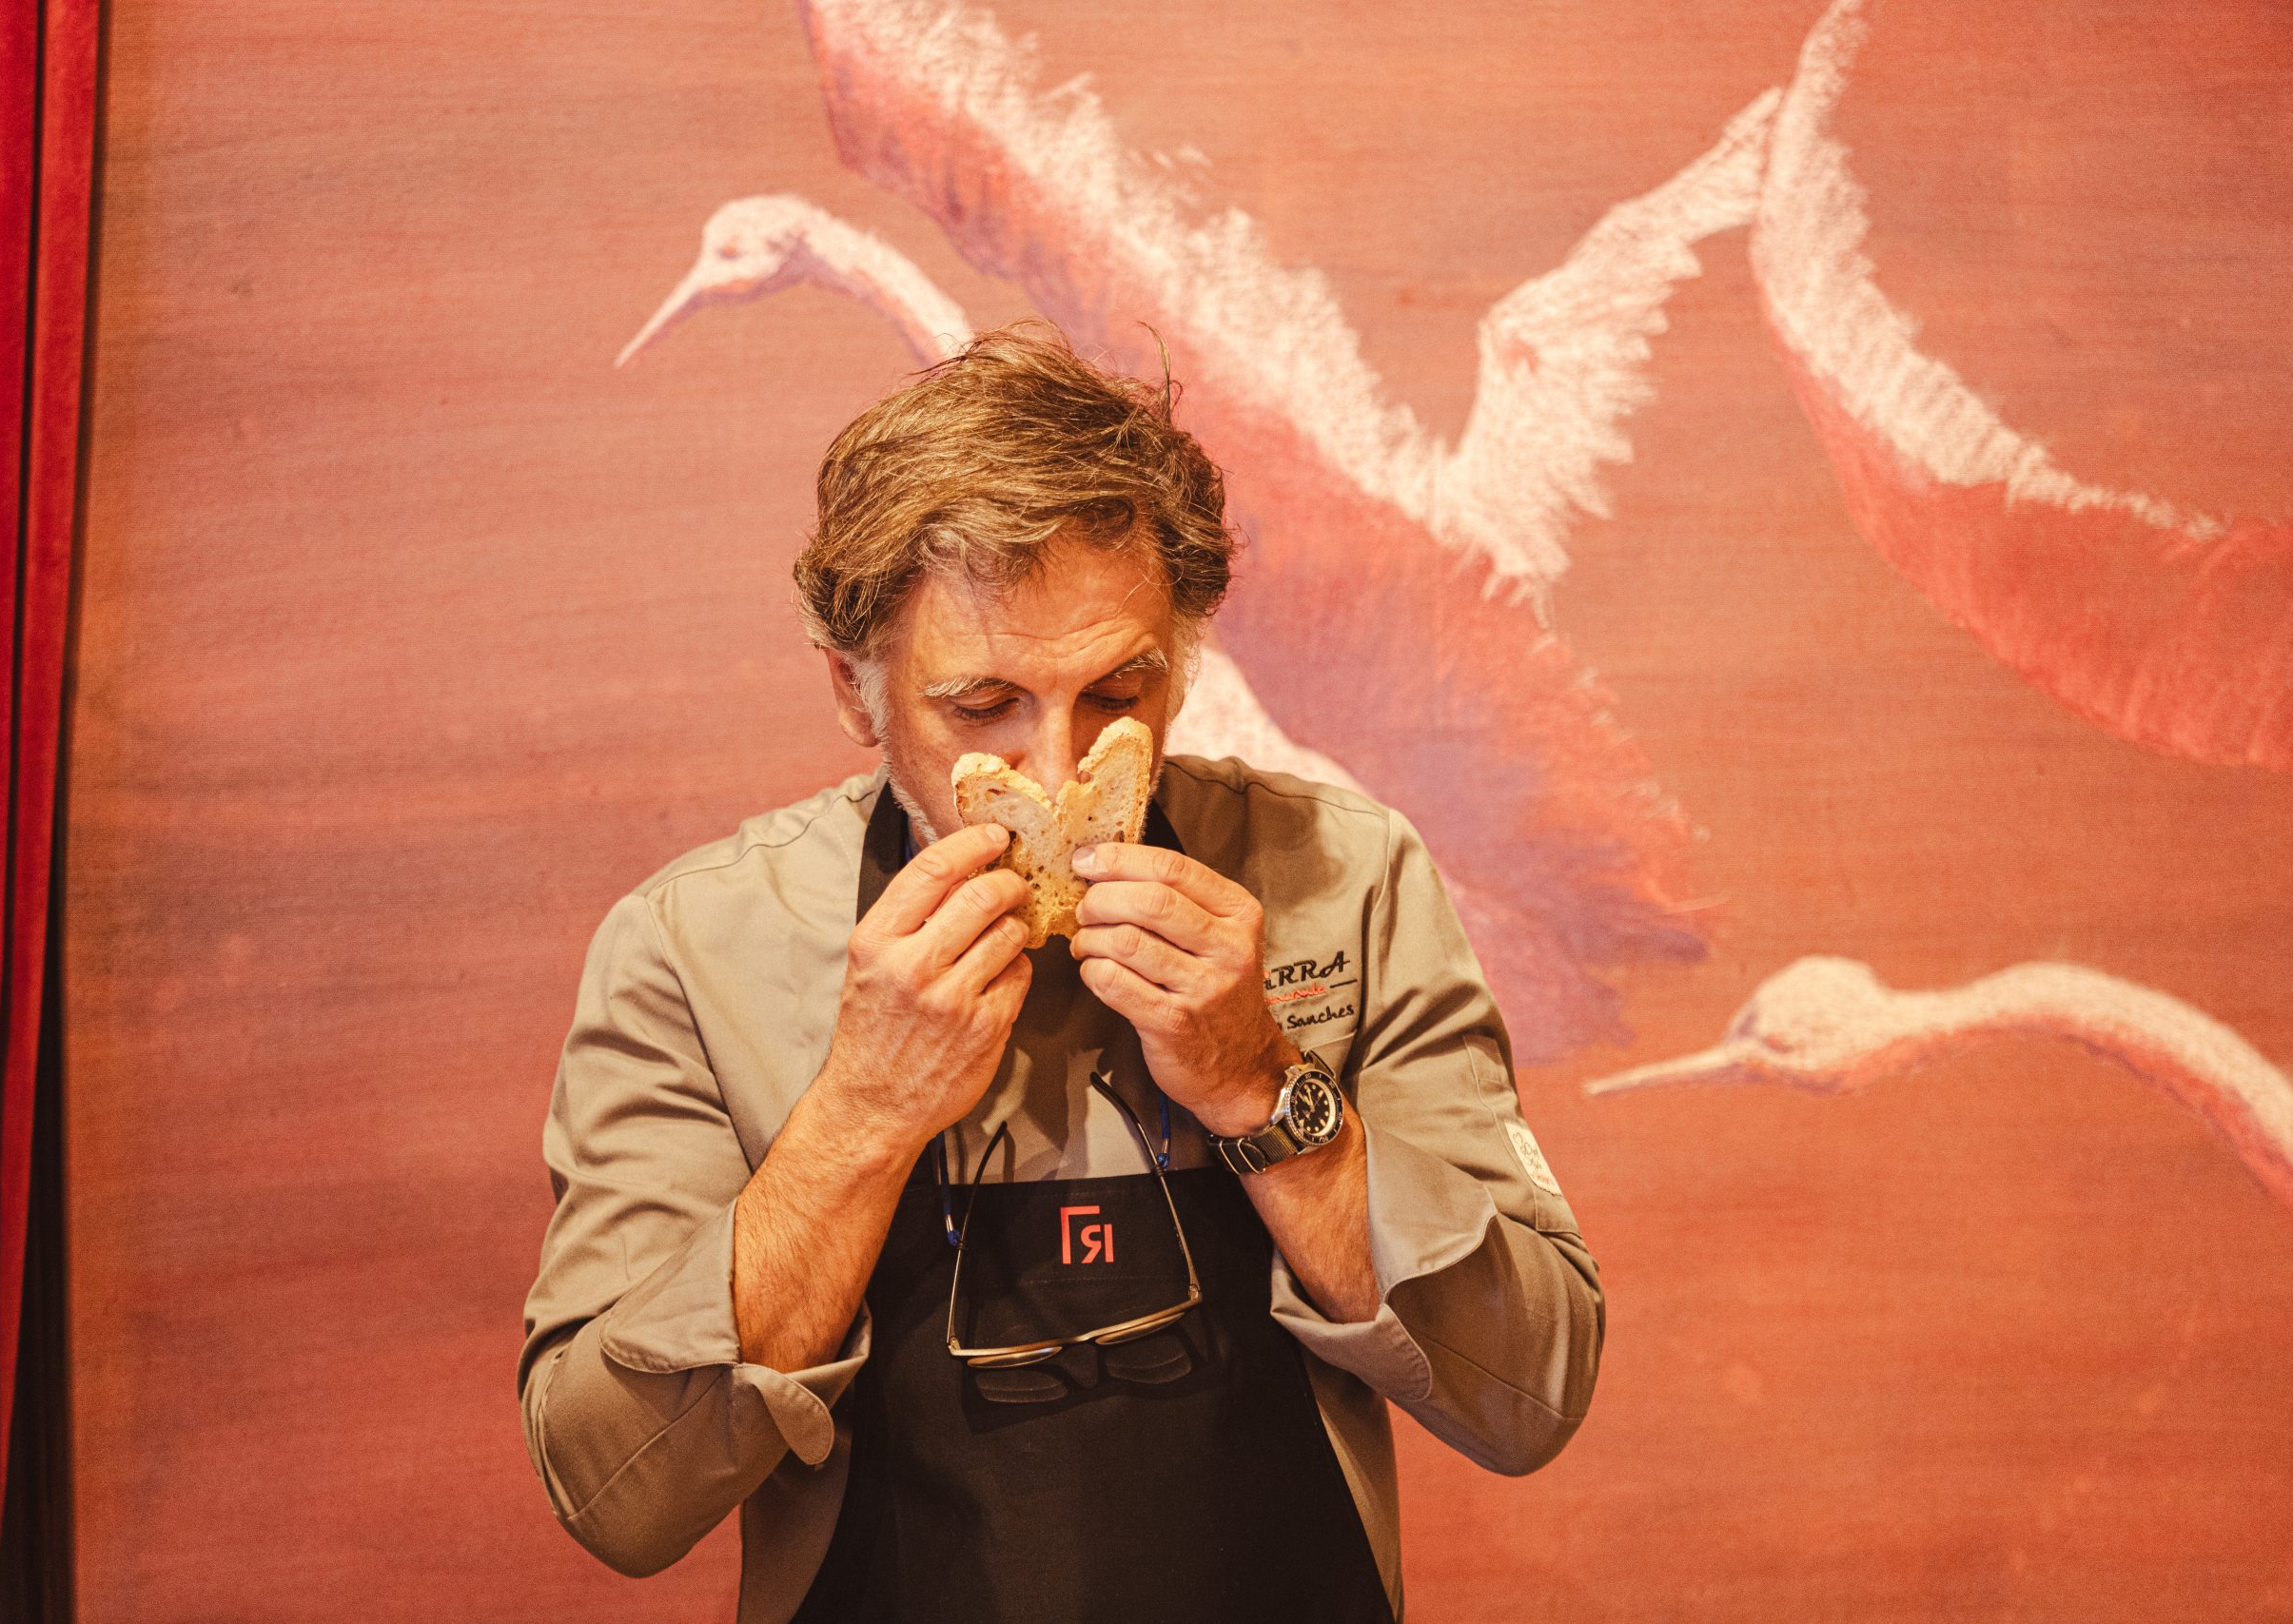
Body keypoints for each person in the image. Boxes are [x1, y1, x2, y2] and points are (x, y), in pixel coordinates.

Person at [517, 323, 1602, 1624]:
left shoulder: (1343, 878)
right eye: (983, 709)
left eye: (1119, 693)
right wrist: (861, 1113)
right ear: (855, 691)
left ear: (1182, 662)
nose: (1060, 774)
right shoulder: (693, 948)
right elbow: (619, 1496)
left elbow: (1530, 1391)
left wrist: (1262, 1087)